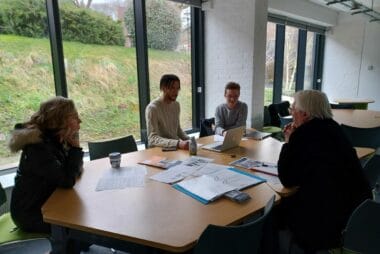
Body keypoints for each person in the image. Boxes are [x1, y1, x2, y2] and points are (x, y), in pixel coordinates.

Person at [277, 90, 371, 251]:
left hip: (323, 222)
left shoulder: (303, 135)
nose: (291, 113)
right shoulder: (335, 129)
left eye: (293, 109)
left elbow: (287, 178)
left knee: (275, 210)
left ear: (305, 114)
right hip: (354, 215)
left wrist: (288, 141)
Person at [8, 96, 83, 234]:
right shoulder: (37, 148)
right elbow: (66, 180)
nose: (80, 121)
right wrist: (76, 148)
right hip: (31, 214)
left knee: (81, 214)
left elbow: (73, 171)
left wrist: (73, 150)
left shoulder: (53, 139)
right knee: (80, 224)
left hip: (46, 202)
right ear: (60, 121)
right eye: (74, 117)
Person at [146, 74, 190, 149]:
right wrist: (178, 143)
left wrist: (190, 140)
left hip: (175, 148)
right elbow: (152, 138)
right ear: (163, 88)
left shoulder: (176, 105)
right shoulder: (152, 108)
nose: (176, 92)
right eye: (172, 88)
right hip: (158, 150)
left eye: (177, 89)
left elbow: (178, 130)